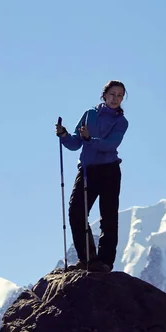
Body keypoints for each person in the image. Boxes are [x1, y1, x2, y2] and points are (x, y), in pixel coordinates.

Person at [55, 80, 129, 273]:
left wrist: (90, 139)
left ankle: (104, 262)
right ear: (104, 95)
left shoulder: (121, 122)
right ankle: (88, 259)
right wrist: (63, 135)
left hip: (110, 170)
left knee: (108, 216)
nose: (116, 99)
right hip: (88, 170)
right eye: (113, 94)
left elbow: (111, 145)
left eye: (120, 96)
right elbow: (75, 143)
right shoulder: (90, 115)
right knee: (76, 212)